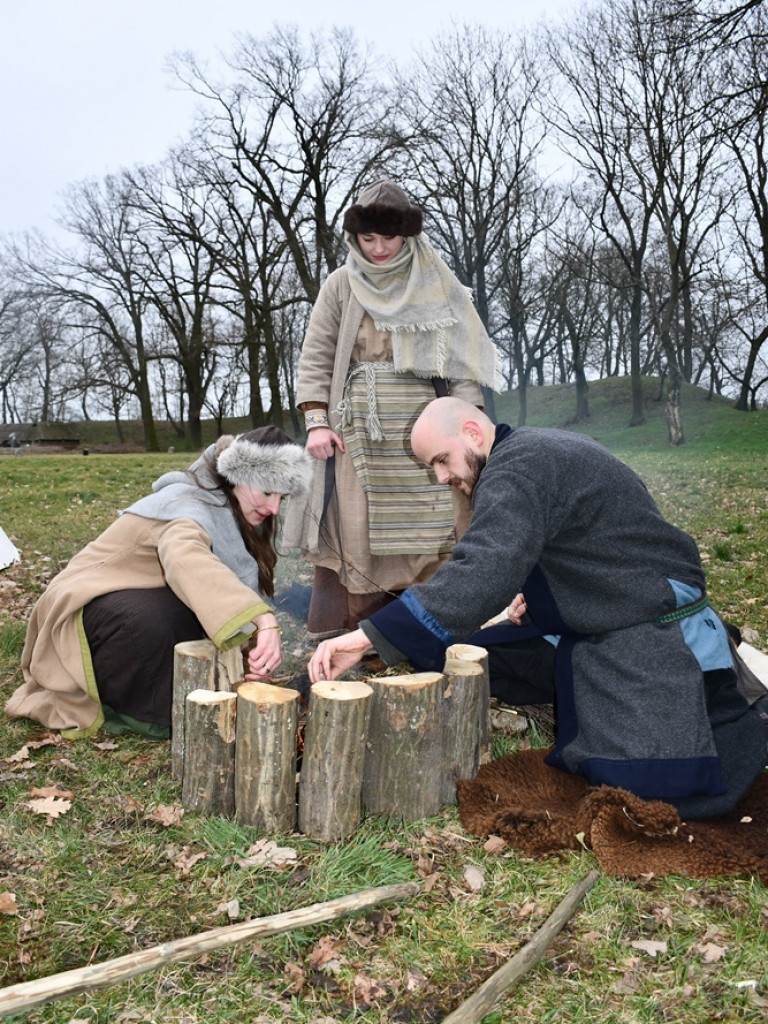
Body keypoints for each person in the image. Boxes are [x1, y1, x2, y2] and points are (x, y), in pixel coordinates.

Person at [309, 397, 767, 820]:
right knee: (459, 648)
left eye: (440, 460)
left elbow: (485, 566)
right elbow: (580, 542)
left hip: (647, 612)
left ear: (472, 431)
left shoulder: (518, 465)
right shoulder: (530, 451)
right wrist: (547, 593)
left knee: (653, 782)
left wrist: (368, 635)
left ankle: (727, 686)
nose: (441, 477)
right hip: (603, 601)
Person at [287, 179, 499, 641]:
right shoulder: (340, 284)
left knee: (440, 521)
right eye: (369, 238)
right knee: (361, 532)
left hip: (429, 427)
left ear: (408, 235)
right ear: (355, 237)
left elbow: (464, 360)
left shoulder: (437, 281)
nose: (379, 248)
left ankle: (437, 630)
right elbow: (317, 353)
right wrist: (317, 421)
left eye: (389, 238)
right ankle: (361, 640)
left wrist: (469, 424)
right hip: (359, 431)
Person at [6, 427, 312, 740]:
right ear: (237, 475)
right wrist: (261, 618)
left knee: (183, 610)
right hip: (78, 618)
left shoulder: (228, 508)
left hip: (119, 607)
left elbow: (217, 588)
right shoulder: (188, 505)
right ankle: (141, 711)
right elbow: (185, 559)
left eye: (281, 497)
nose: (274, 508)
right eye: (266, 492)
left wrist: (250, 657)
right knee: (162, 617)